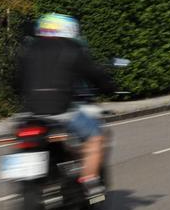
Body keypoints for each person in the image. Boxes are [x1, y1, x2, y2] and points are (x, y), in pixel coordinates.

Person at [18, 13, 116, 200]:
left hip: (30, 113)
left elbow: (15, 82)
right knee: (96, 137)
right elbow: (93, 73)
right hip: (61, 110)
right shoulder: (71, 48)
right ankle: (90, 183)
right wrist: (109, 86)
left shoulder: (28, 50)